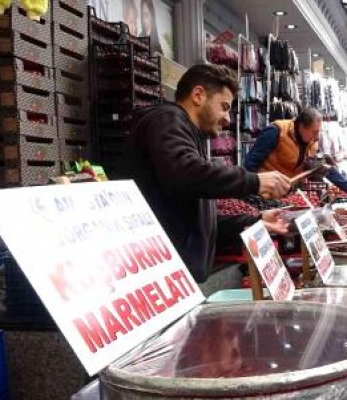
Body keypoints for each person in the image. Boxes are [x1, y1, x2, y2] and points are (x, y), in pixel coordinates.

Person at [121, 65, 292, 282]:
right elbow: (184, 172)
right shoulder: (166, 119)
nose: (228, 119)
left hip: (178, 282)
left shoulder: (187, 136)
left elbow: (200, 220)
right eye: (224, 107)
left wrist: (255, 219)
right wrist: (253, 181)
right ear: (198, 95)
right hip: (159, 279)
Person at [244, 107, 347, 206]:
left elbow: (326, 169)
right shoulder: (276, 131)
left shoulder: (311, 143)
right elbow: (250, 163)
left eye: (319, 131)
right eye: (314, 131)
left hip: (284, 198)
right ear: (302, 126)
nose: (317, 136)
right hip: (263, 196)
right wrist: (252, 194)